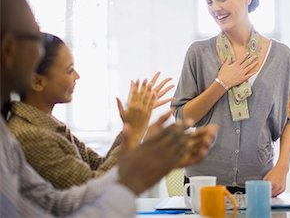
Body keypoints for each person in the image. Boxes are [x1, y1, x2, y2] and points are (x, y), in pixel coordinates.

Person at [0, 0, 217, 217]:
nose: (77, 76)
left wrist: (132, 136)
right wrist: (134, 138)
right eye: (33, 37)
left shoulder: (24, 133)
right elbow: (89, 191)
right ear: (10, 49)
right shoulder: (29, 135)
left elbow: (67, 196)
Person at [171, 0, 290, 196]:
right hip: (204, 182)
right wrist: (221, 83)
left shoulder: (281, 56)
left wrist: (283, 167)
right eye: (209, 2)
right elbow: (182, 119)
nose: (215, 8)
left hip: (260, 182)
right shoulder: (198, 53)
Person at [7, 32, 174, 189]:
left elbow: (100, 167)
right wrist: (135, 133)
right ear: (37, 82)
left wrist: (131, 127)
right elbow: (94, 190)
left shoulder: (47, 125)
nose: (77, 76)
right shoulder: (31, 136)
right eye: (69, 70)